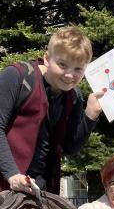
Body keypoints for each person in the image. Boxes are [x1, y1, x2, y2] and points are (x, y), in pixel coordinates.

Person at [0, 25, 103, 194]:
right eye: (62, 65)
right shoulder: (18, 76)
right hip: (6, 186)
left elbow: (69, 147)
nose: (69, 75)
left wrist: (91, 115)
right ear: (47, 58)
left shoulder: (74, 97)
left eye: (78, 69)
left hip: (41, 189)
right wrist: (12, 175)